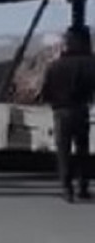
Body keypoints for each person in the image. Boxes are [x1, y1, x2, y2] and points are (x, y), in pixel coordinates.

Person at [41, 27, 94, 203]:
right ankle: (84, 187)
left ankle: (67, 188)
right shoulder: (90, 63)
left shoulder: (55, 66)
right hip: (81, 110)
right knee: (82, 149)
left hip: (61, 112)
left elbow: (45, 93)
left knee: (63, 150)